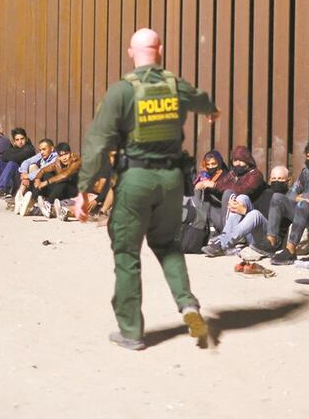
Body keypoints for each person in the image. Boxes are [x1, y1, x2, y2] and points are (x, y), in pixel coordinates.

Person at [77, 28, 219, 351]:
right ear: (161, 50)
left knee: (127, 253)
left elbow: (97, 142)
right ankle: (188, 305)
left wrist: (84, 191)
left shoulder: (122, 91)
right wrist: (211, 111)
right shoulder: (174, 84)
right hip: (171, 181)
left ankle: (131, 331)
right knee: (168, 244)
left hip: (136, 179)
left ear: (131, 53)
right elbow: (200, 99)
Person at [261, 143, 309, 265]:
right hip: (305, 211)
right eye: (308, 157)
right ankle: (271, 241)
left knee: (303, 205)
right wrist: (301, 198)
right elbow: (290, 193)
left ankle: (291, 250)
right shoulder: (305, 173)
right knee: (277, 197)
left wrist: (301, 199)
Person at [33, 143, 81, 218]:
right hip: (62, 191)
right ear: (58, 157)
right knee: (46, 175)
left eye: (66, 154)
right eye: (61, 156)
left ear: (71, 154)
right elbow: (43, 170)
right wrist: (37, 180)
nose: (64, 158)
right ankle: (34, 202)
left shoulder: (76, 161)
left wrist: (46, 182)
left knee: (63, 181)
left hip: (75, 190)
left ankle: (48, 204)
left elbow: (66, 174)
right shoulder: (57, 163)